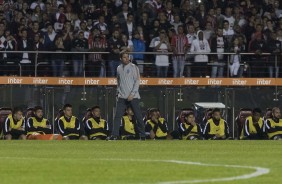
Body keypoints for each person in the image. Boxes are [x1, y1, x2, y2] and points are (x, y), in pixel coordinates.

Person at [106, 52, 146, 140]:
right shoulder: (118, 68)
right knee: (117, 116)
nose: (126, 58)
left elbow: (137, 81)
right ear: (121, 59)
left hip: (133, 97)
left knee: (138, 115)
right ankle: (115, 135)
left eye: (127, 57)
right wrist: (118, 93)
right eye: (124, 57)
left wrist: (132, 94)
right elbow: (118, 81)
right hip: (122, 97)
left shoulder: (134, 67)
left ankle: (143, 135)